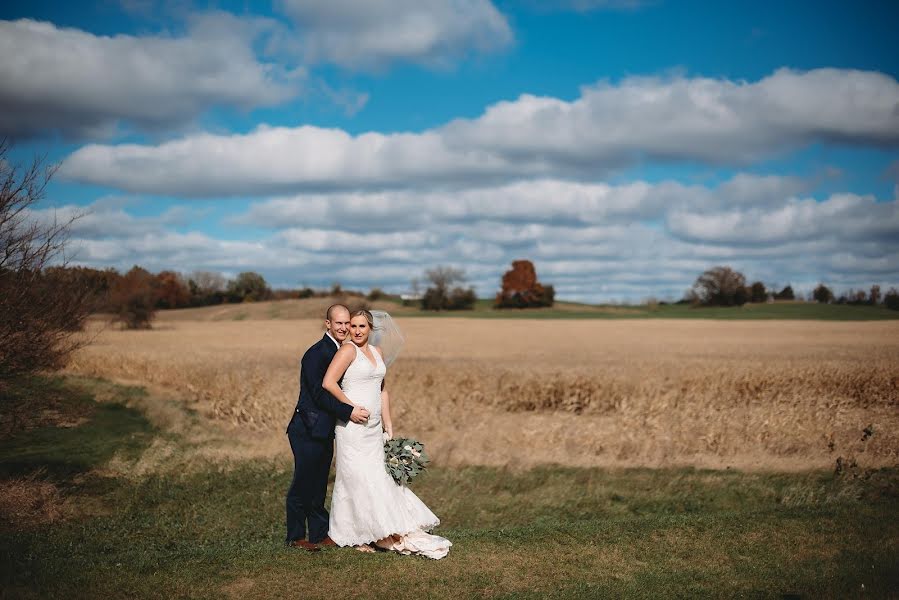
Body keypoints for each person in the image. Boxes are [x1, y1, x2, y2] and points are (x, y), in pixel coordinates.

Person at [323, 309, 451, 559]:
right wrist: (350, 409)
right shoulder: (347, 351)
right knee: (356, 479)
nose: (357, 331)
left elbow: (382, 391)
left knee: (377, 478)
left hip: (373, 429)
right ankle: (357, 534)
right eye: (353, 326)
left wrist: (388, 424)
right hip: (353, 428)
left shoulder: (378, 352)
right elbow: (328, 382)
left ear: (371, 329)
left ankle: (379, 527)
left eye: (362, 326)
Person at [285, 304, 370, 551]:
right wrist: (349, 411)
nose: (344, 328)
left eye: (347, 323)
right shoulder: (316, 353)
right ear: (328, 324)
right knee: (303, 482)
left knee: (319, 483)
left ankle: (320, 534)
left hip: (325, 429)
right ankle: (295, 537)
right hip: (306, 428)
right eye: (339, 323)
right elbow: (320, 395)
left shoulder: (342, 350)